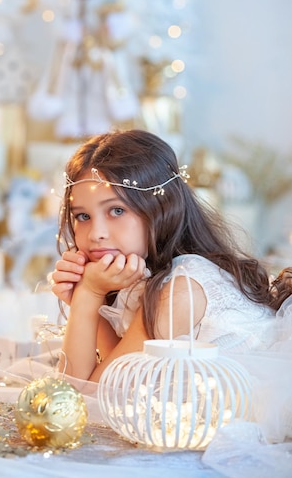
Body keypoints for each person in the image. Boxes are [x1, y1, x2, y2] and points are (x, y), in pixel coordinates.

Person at [49, 128, 292, 389]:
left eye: (117, 210)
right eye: (82, 216)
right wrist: (85, 302)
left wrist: (88, 295)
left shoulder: (183, 287)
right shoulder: (150, 277)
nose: (96, 234)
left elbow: (84, 400)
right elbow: (112, 373)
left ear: (162, 209)